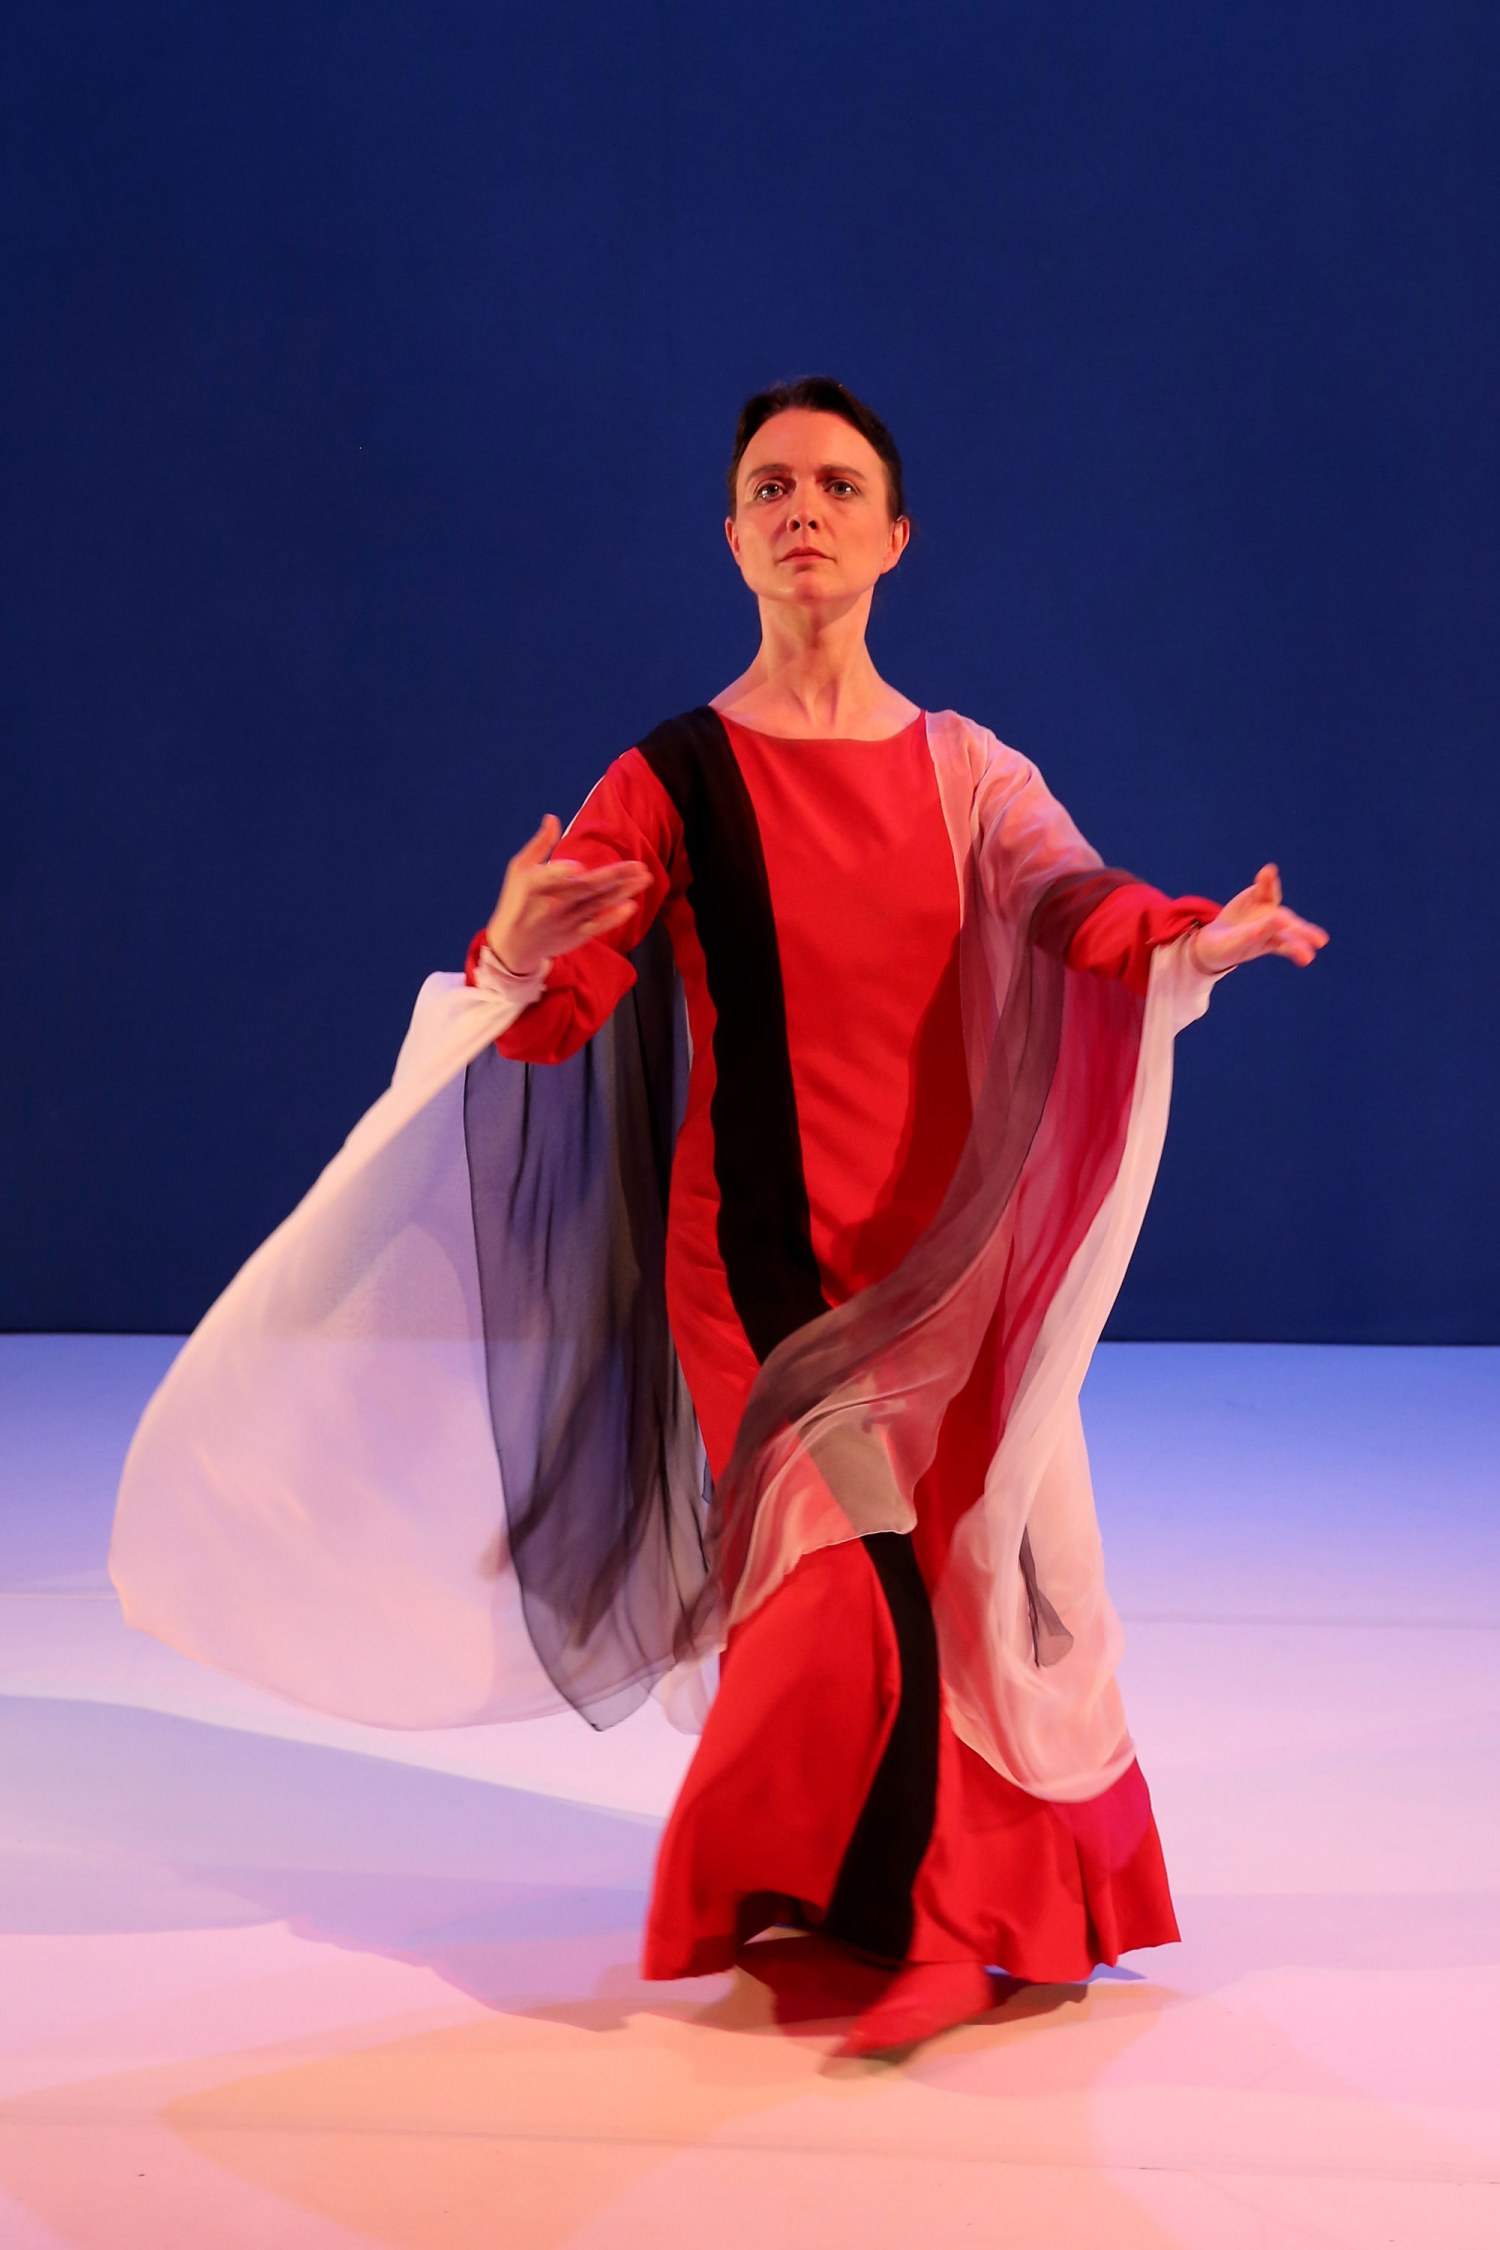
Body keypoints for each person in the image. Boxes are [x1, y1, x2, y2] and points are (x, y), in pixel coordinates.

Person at [108, 376, 1326, 2063]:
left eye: (837, 484)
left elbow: (1073, 903)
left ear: (895, 537)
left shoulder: (969, 769)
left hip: (938, 1270)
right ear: (734, 538)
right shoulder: (673, 776)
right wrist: (515, 945)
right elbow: (551, 1013)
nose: (802, 507)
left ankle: (929, 1901)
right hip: (758, 1274)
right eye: (771, 486)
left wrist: (1195, 935)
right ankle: (909, 1927)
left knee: (970, 1587)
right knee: (853, 1585)